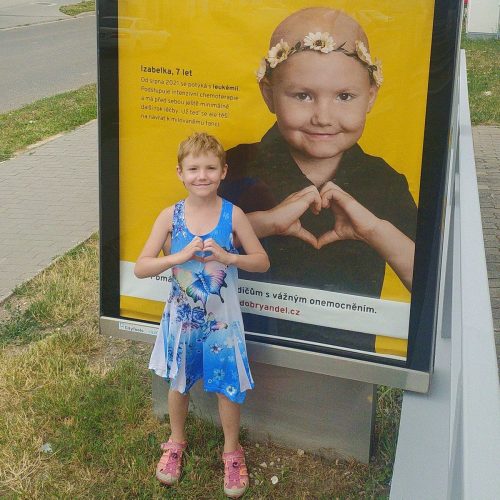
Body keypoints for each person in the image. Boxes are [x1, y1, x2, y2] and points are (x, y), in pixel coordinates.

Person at [219, 7, 417, 352]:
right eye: (303, 96)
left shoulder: (385, 181)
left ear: (370, 96)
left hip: (350, 358)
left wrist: (374, 231)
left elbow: (427, 283)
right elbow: (182, 252)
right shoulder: (233, 166)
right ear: (268, 94)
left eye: (344, 96)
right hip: (237, 346)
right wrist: (263, 223)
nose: (323, 117)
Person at [135, 132, 269, 498]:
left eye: (210, 168)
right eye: (193, 169)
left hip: (223, 322)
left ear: (223, 171)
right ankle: (175, 442)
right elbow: (142, 267)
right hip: (182, 320)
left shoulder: (233, 215)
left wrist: (228, 257)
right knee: (178, 382)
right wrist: (178, 257)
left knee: (228, 385)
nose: (202, 176)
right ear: (180, 172)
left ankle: (232, 452)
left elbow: (262, 261)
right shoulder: (170, 216)